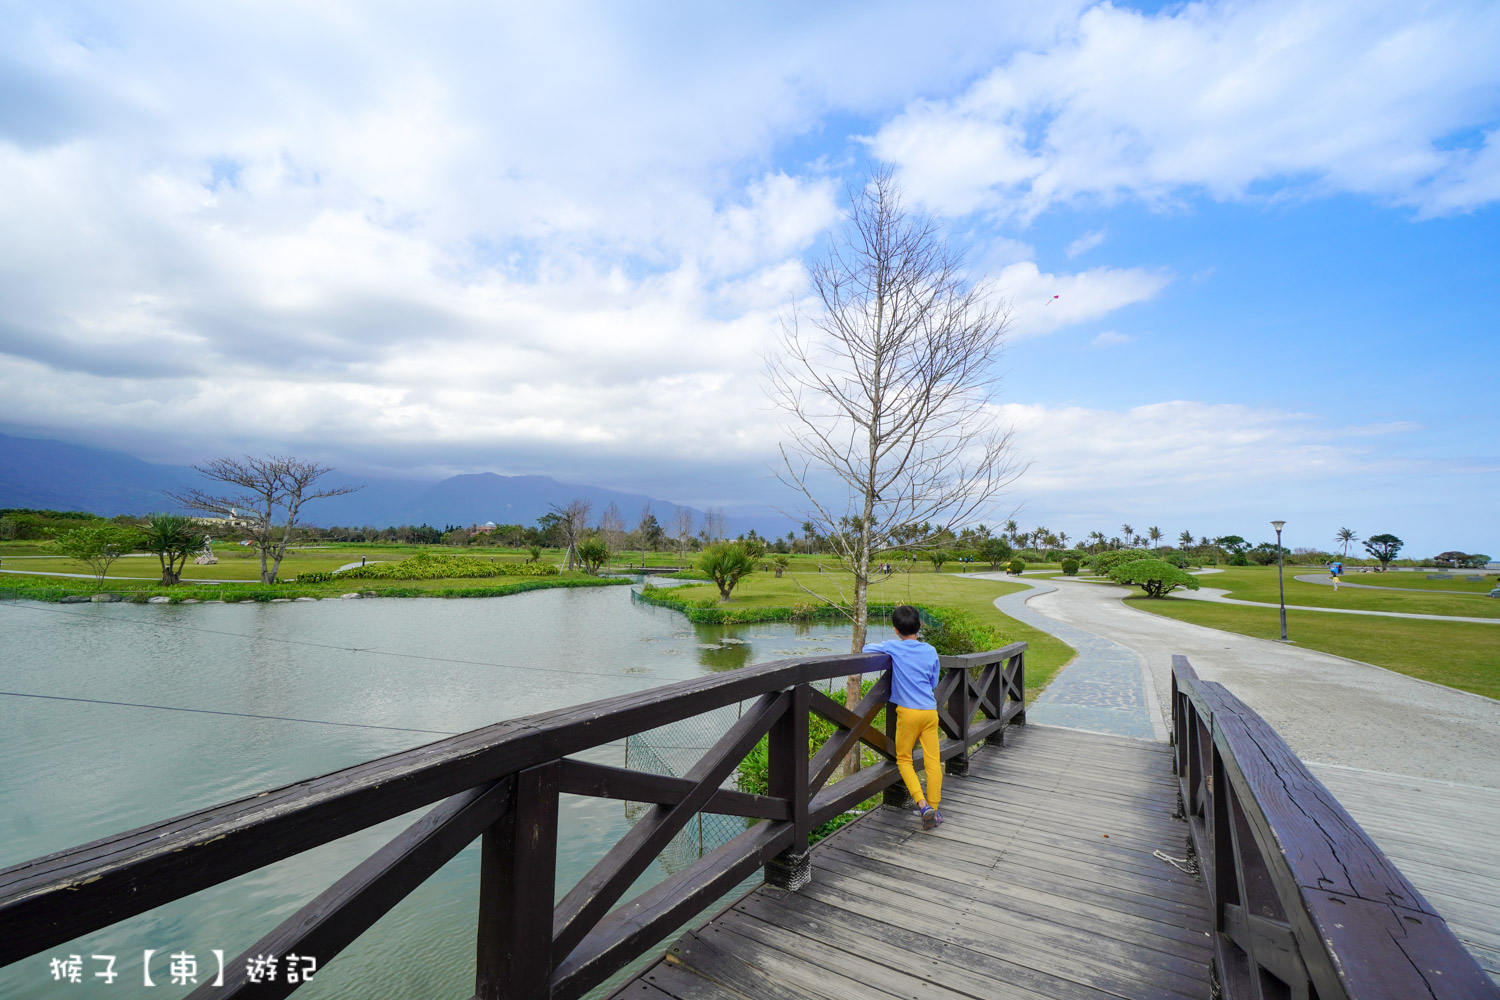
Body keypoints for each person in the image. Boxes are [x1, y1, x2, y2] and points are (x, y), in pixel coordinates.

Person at [863, 604, 943, 829]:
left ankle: (922, 804)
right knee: (932, 761)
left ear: (896, 630)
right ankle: (934, 810)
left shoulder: (893, 647)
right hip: (929, 711)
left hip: (908, 714)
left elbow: (866, 649)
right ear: (919, 626)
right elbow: (934, 682)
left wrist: (888, 646)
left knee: (904, 759)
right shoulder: (930, 650)